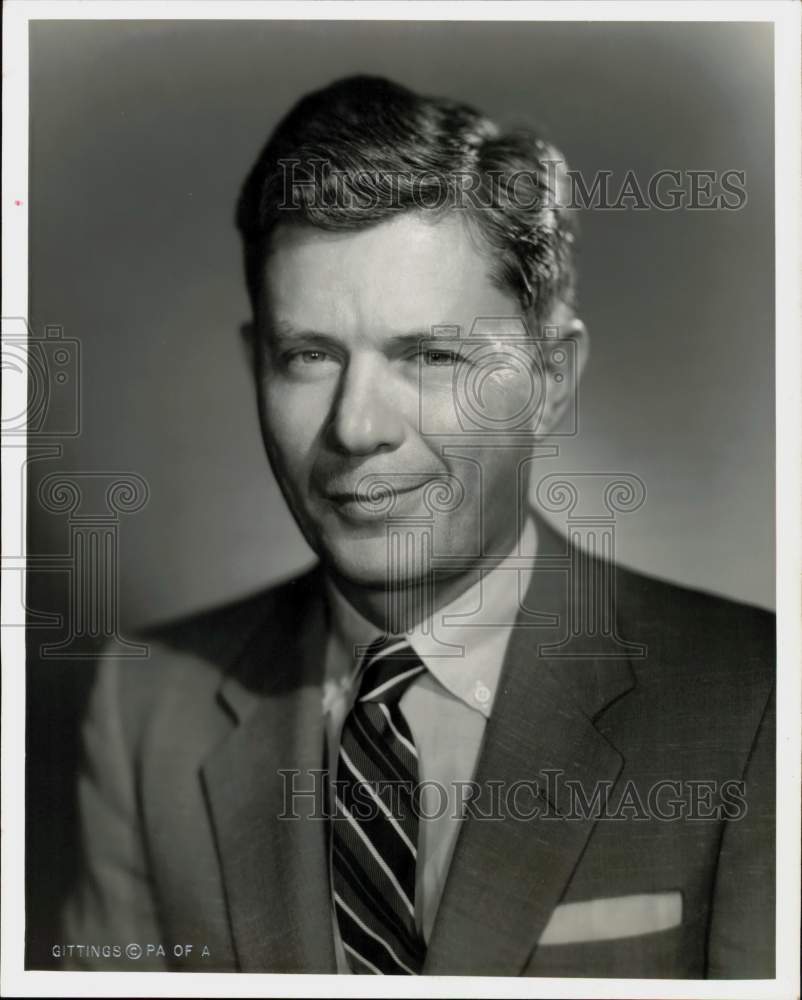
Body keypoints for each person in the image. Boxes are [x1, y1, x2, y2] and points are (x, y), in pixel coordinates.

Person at [60, 75, 774, 978]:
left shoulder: (756, 702)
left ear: (549, 378)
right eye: (308, 356)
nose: (357, 427)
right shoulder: (147, 715)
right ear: (256, 365)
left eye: (431, 356)